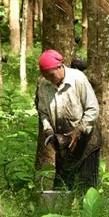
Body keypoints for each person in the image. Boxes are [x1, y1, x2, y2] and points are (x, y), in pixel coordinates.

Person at [36, 49, 101, 192]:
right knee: (62, 188)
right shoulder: (43, 85)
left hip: (86, 140)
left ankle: (87, 214)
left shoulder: (78, 78)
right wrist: (48, 131)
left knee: (86, 188)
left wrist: (78, 131)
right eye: (45, 76)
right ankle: (62, 212)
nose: (49, 79)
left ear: (60, 67)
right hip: (64, 143)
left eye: (51, 75)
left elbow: (93, 109)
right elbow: (43, 112)